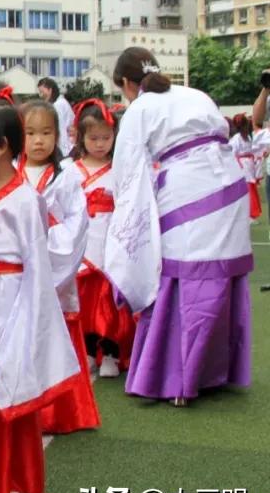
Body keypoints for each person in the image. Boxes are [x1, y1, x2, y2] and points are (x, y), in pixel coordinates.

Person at [106, 47, 251, 407]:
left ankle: (178, 375)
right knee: (219, 271)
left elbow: (125, 171)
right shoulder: (195, 94)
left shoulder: (139, 107)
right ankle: (213, 370)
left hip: (188, 186)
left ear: (126, 83)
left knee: (182, 273)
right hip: (229, 183)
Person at [0, 101, 79, 493]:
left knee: (8, 394)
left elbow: (38, 266)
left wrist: (31, 323)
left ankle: (7, 487)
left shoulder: (27, 200)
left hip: (10, 304)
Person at [19, 100, 98, 435]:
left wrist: (44, 247)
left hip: (52, 265)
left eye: (46, 133)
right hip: (16, 266)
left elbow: (76, 224)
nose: (39, 141)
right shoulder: (9, 171)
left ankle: (59, 412)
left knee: (54, 332)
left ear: (59, 135)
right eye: (30, 133)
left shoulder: (67, 176)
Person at [71, 100, 133, 379]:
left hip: (110, 243)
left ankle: (111, 352)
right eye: (93, 138)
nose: (100, 144)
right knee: (83, 301)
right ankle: (87, 349)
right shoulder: (70, 171)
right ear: (80, 137)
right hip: (82, 245)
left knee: (109, 303)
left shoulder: (118, 170)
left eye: (106, 138)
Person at [228, 114, 262, 221]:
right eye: (246, 125)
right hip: (242, 167)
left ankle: (252, 213)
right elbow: (231, 155)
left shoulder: (248, 137)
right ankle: (248, 214)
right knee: (247, 189)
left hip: (249, 165)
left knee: (251, 187)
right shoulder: (235, 139)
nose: (248, 128)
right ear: (241, 127)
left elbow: (253, 149)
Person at [37, 77, 75, 157]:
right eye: (39, 93)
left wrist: (63, 154)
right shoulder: (60, 102)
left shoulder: (58, 105)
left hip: (66, 149)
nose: (41, 95)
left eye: (42, 92)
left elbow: (61, 130)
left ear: (50, 90)